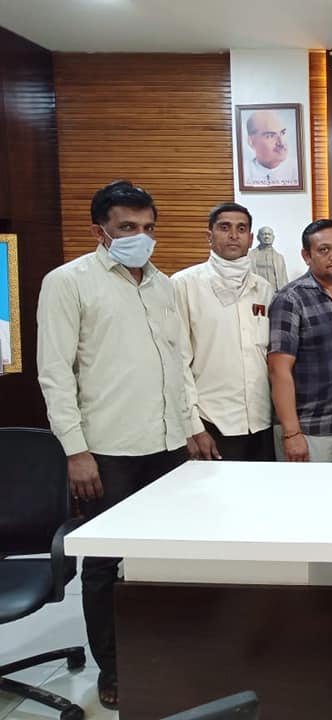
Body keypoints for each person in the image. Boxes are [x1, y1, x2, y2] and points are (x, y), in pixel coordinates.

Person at [36, 180, 193, 710]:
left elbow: (177, 362)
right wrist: (75, 450)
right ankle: (114, 666)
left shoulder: (163, 285)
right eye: (127, 227)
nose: (139, 237)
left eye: (147, 227)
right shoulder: (68, 282)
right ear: (99, 230)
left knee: (166, 555)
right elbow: (55, 373)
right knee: (105, 562)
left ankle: (164, 648)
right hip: (107, 449)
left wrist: (191, 425)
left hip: (168, 443)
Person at [171, 202, 275, 461]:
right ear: (209, 235)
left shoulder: (263, 288)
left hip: (260, 421)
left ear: (250, 238)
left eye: (241, 229)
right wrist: (193, 427)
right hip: (210, 421)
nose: (233, 235)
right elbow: (177, 363)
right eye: (224, 227)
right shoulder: (184, 285)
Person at [268, 219, 332, 463]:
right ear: (307, 256)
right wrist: (291, 433)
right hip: (310, 431)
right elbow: (278, 370)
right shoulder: (291, 299)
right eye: (324, 250)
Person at [244, 109, 298, 187]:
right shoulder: (243, 172)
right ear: (251, 142)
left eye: (282, 133)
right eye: (270, 136)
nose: (282, 143)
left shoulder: (298, 169)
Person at [249, 225, 289, 291]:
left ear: (273, 237)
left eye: (269, 234)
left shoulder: (279, 257)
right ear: (258, 237)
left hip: (275, 293)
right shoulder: (250, 256)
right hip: (258, 292)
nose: (267, 236)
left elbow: (284, 279)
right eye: (264, 234)